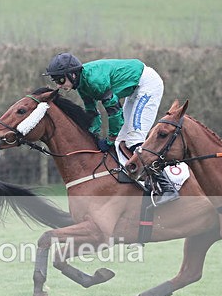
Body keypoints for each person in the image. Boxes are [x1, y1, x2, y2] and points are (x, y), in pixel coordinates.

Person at [43, 52, 177, 204]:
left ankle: (168, 187)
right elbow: (92, 113)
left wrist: (110, 138)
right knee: (122, 140)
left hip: (147, 85)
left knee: (134, 139)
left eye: (60, 80)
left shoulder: (95, 81)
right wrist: (92, 136)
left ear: (73, 75)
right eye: (56, 81)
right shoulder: (81, 84)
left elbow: (114, 112)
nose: (59, 85)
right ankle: (141, 179)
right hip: (134, 89)